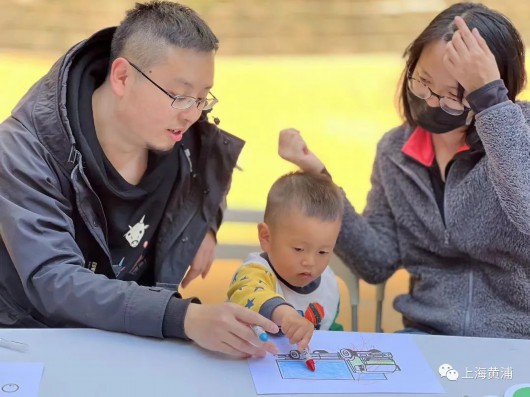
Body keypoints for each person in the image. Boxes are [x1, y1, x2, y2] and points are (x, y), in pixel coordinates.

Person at [0, 1, 279, 357]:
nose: (193, 115)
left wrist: (208, 220)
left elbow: (211, 164)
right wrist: (183, 317)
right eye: (180, 96)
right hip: (38, 341)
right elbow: (54, 281)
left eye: (203, 98)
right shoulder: (22, 151)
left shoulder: (177, 132)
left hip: (137, 343)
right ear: (121, 77)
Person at [279, 2, 530, 338]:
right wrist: (321, 180)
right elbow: (376, 261)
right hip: (428, 336)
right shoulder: (395, 152)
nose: (430, 102)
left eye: (456, 95)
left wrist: (492, 104)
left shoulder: (518, 136)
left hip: (517, 343)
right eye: (423, 82)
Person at [228, 171, 344, 350]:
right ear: (266, 237)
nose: (310, 262)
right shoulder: (254, 271)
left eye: (323, 252)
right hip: (244, 367)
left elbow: (330, 328)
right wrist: (286, 315)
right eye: (299, 249)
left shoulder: (328, 281)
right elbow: (252, 294)